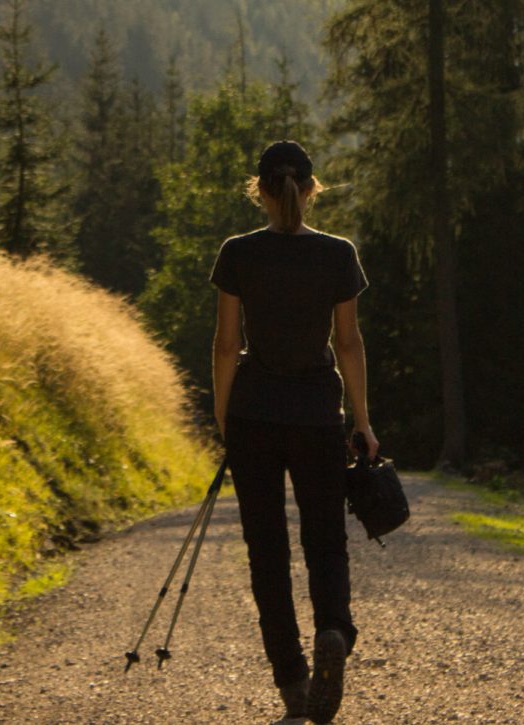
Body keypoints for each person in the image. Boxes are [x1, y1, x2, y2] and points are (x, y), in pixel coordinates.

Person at [211, 139, 376, 724]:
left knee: (268, 553)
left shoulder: (239, 253)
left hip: (254, 415)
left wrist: (224, 417)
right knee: (325, 541)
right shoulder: (338, 255)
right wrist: (362, 422)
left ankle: (293, 683)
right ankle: (333, 629)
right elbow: (349, 343)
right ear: (310, 190)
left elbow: (228, 345)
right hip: (315, 416)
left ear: (259, 190)